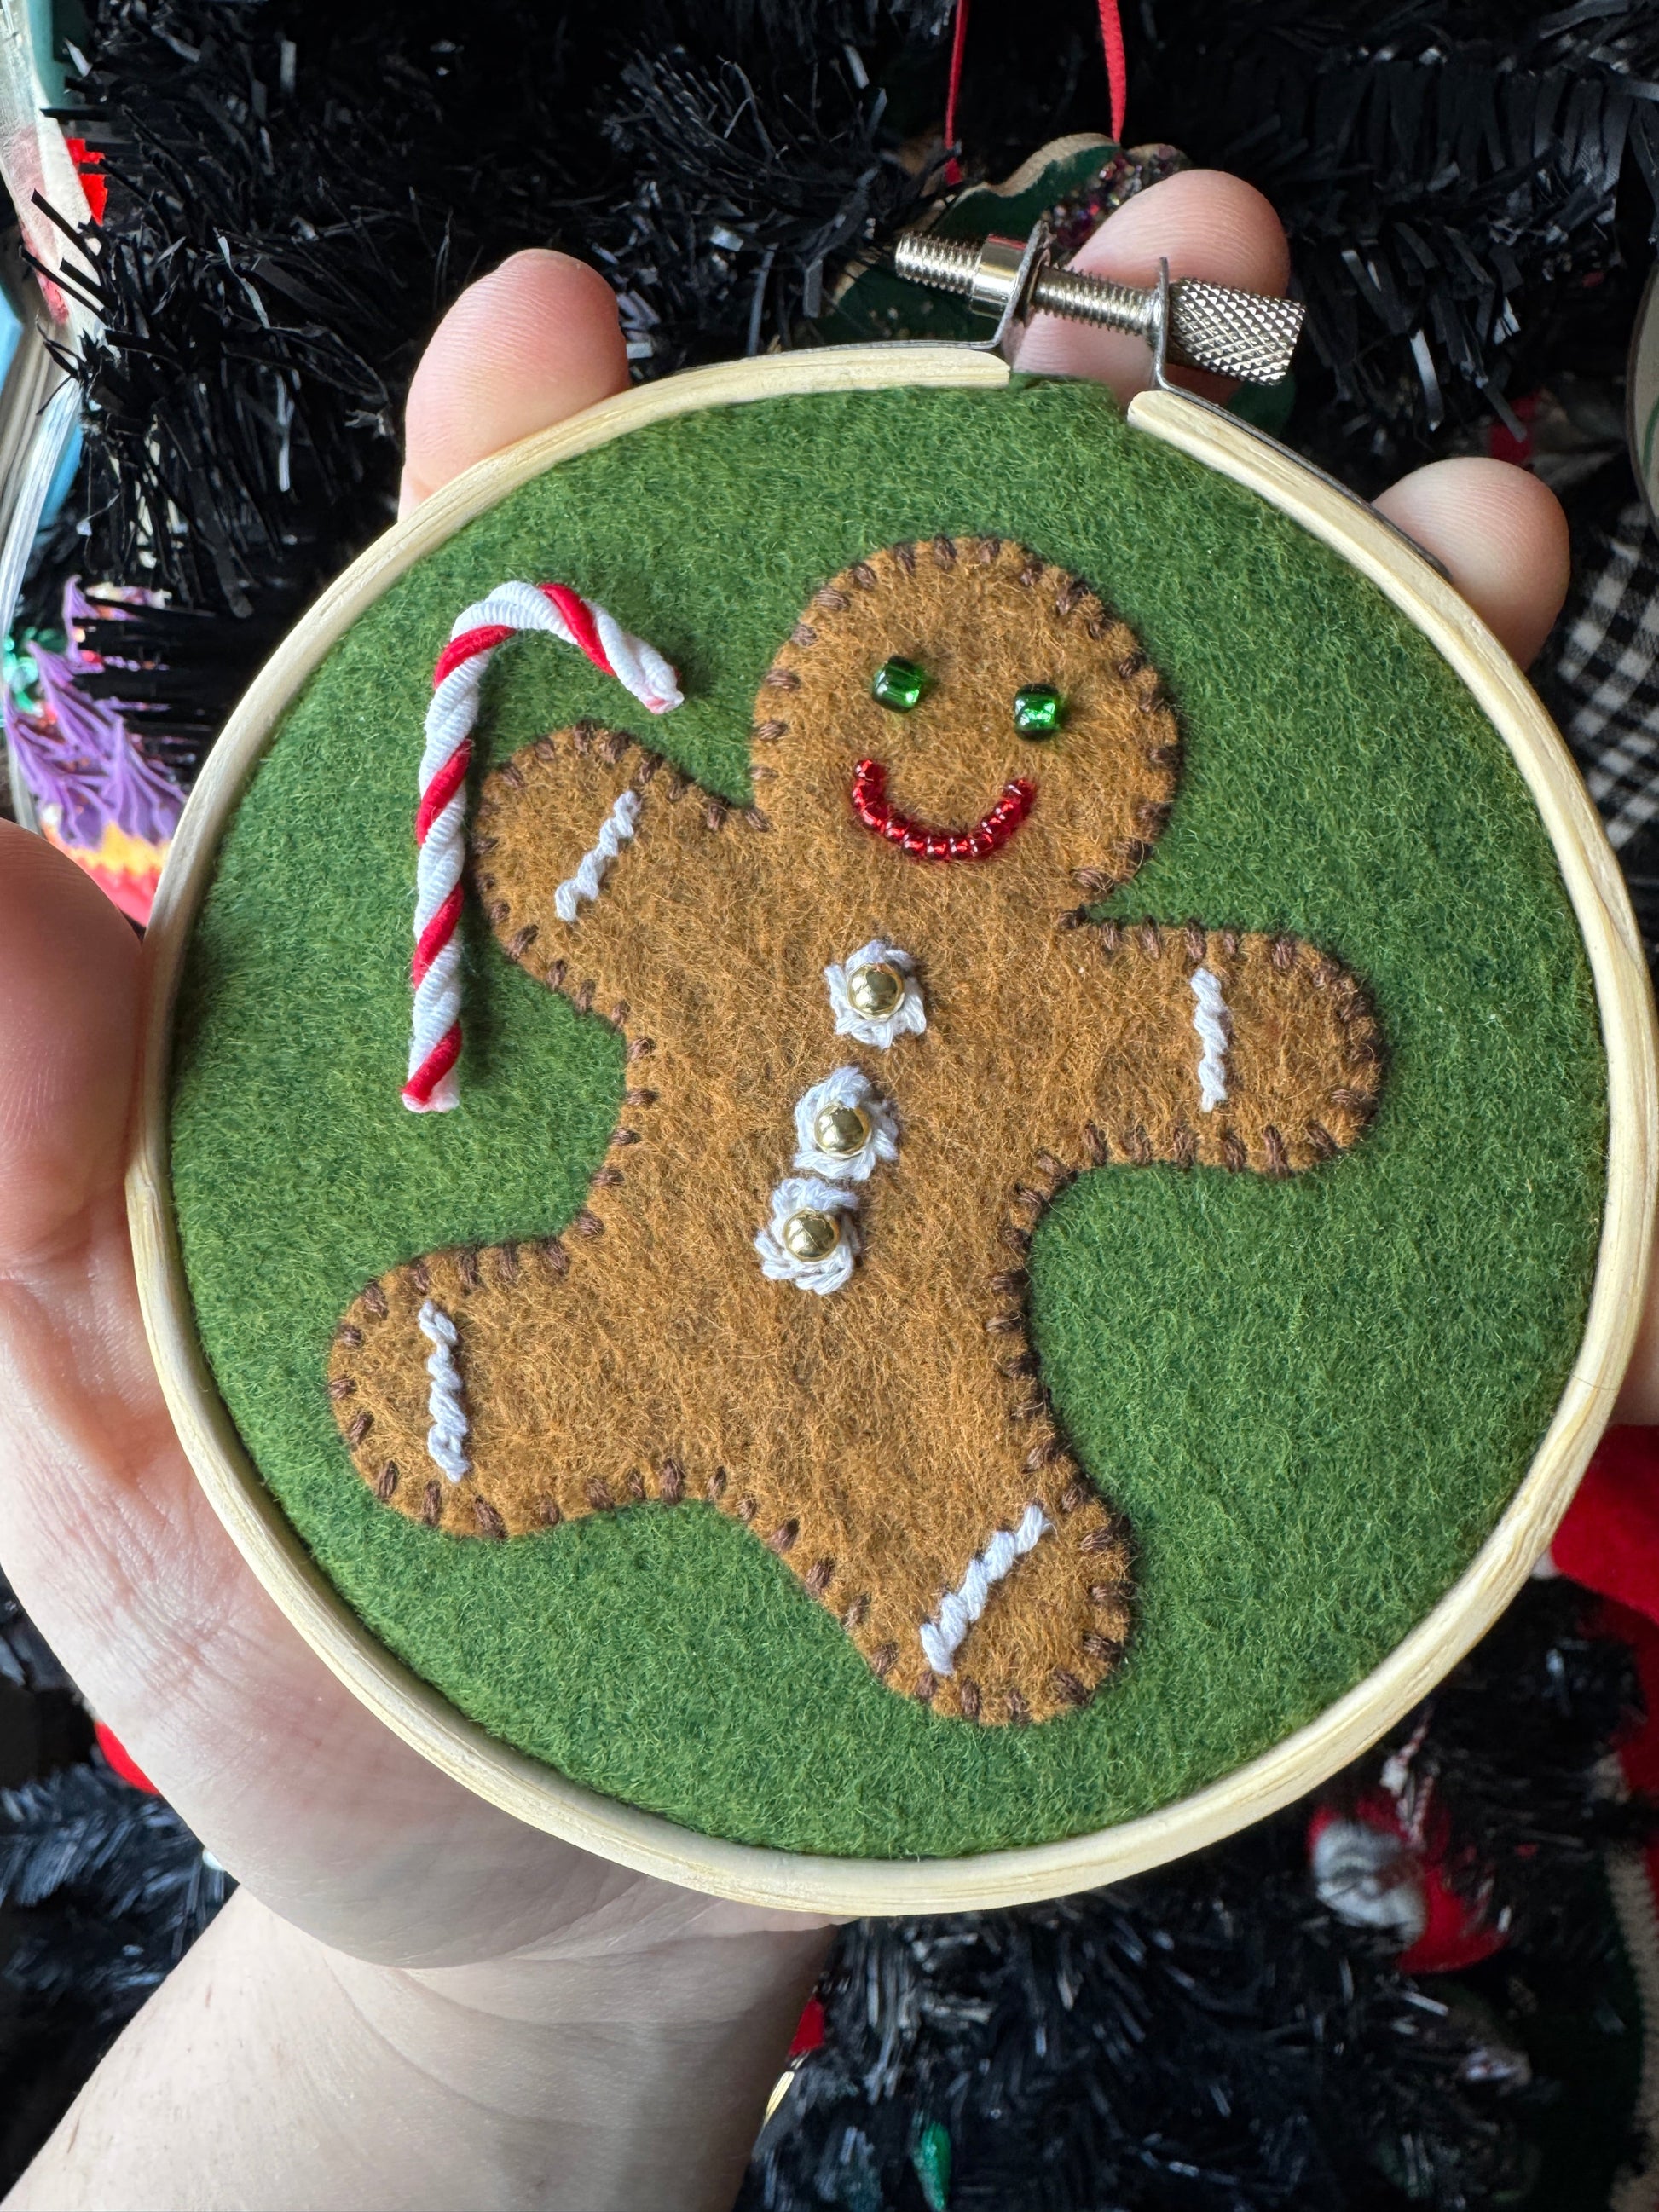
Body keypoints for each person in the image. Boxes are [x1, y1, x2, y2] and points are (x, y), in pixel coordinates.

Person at [0, 170, 1615, 2211]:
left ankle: (937, 1545)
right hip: (630, 1310)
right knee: (576, 1348)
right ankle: (545, 1384)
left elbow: (1225, 1038)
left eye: (1041, 717)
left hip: (895, 1418)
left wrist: (522, 2001)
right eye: (924, 698)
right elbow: (591, 838)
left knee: (970, 1536)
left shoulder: (1059, 988)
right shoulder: (734, 884)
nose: (962, 755)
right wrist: (497, 1998)